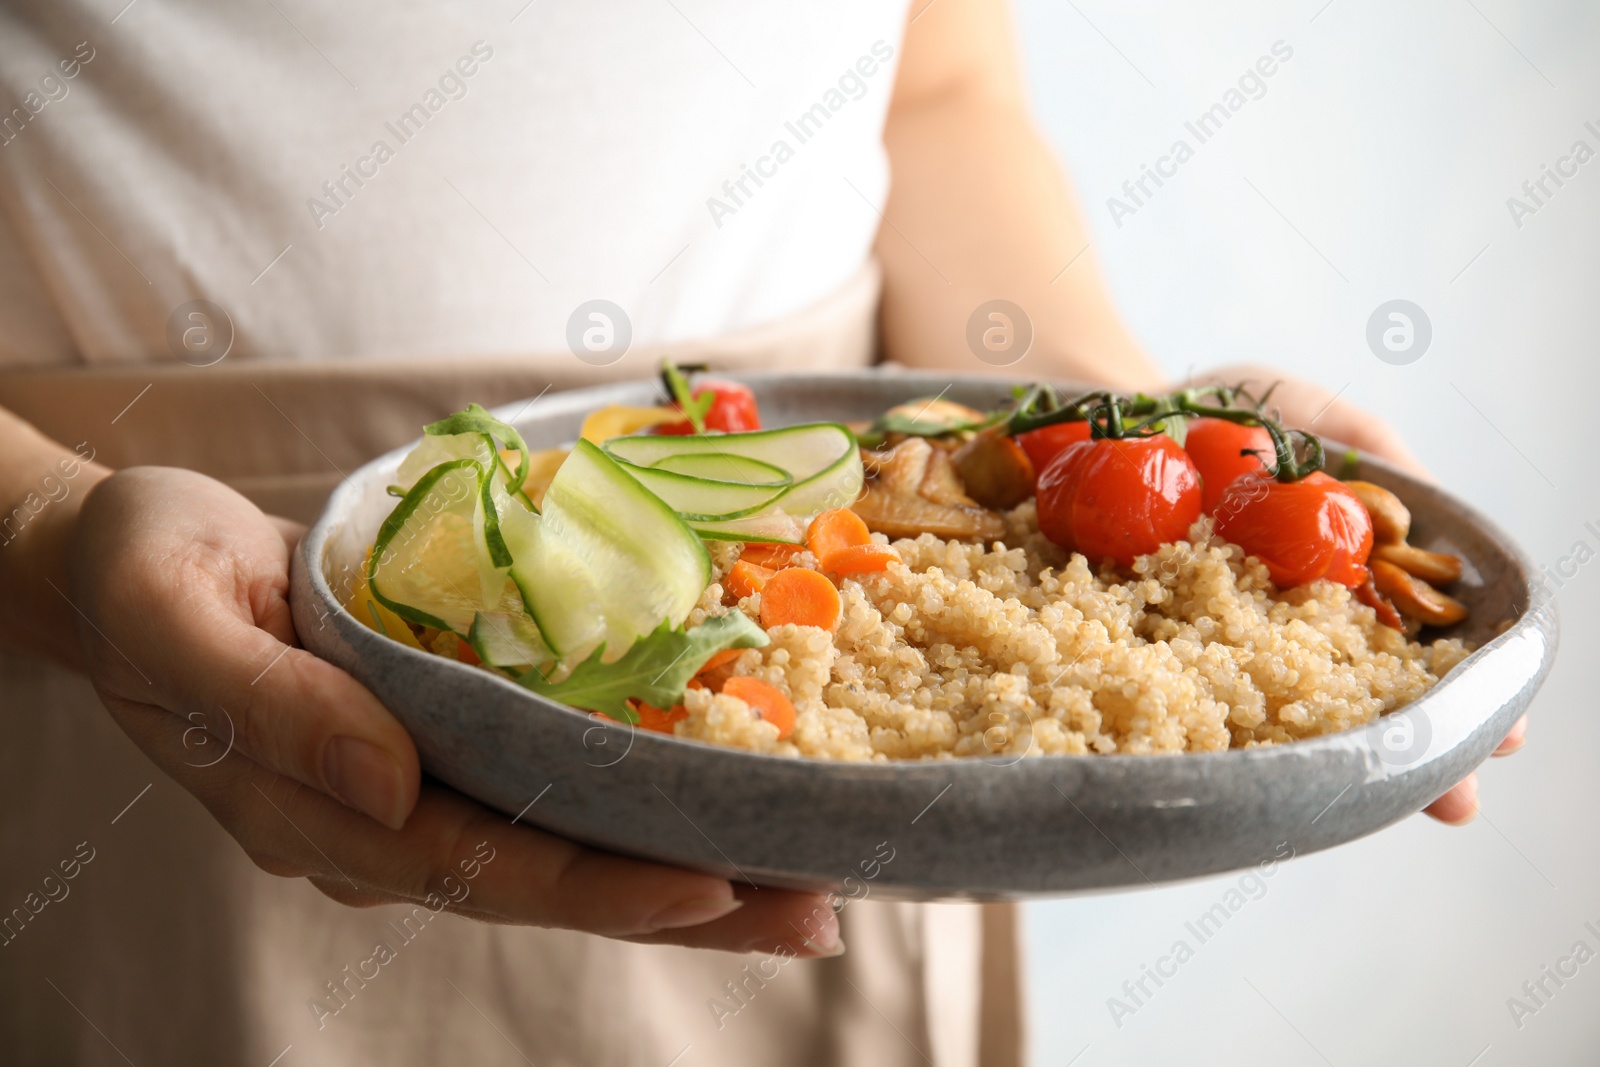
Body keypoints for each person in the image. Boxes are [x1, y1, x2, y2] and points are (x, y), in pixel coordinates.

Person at [0, 0, 1522, 1063]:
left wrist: (1098, 442)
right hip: (151, 666)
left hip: (853, 640)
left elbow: (940, 92)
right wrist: (48, 531)